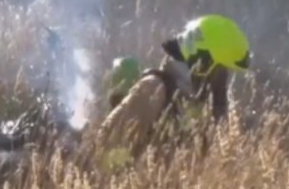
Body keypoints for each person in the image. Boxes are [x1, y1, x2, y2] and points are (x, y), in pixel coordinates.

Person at [91, 15, 251, 171]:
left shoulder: (197, 107)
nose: (223, 82)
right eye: (221, 72)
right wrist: (137, 180)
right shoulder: (153, 90)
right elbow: (106, 144)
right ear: (202, 62)